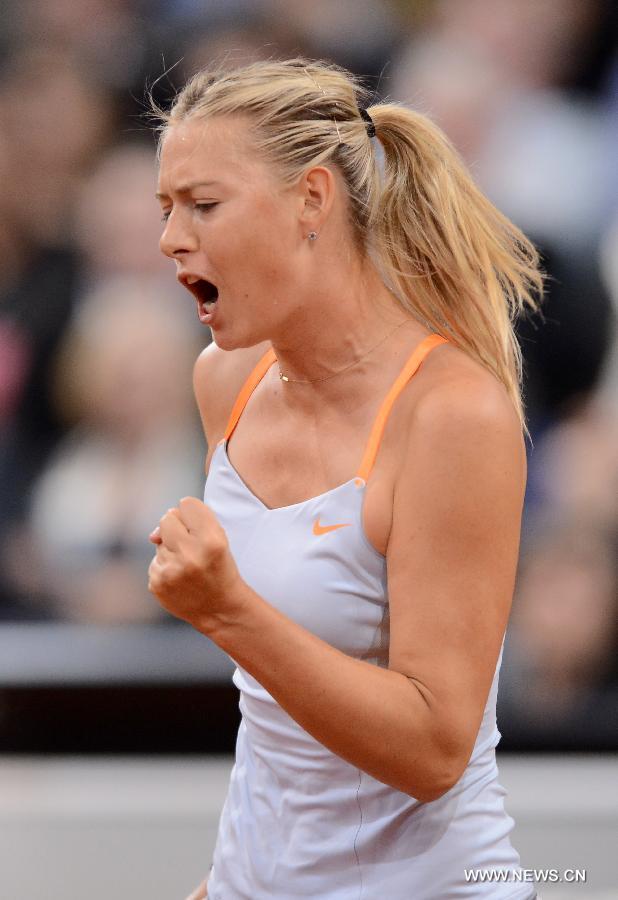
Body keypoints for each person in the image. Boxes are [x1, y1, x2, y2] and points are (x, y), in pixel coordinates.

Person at [147, 58, 544, 899]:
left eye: (204, 205)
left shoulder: (453, 416)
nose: (171, 239)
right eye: (166, 208)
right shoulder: (226, 379)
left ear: (312, 201)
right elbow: (277, 723)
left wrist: (229, 611)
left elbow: (435, 750)